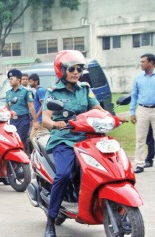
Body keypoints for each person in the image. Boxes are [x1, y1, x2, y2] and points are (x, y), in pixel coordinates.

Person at [42, 50, 105, 237]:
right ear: (61, 70)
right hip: (64, 139)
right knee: (63, 174)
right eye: (72, 69)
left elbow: (97, 108)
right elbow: (46, 117)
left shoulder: (85, 88)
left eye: (79, 68)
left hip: (87, 138)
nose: (76, 72)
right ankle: (51, 221)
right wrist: (55, 124)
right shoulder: (53, 92)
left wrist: (111, 117)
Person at [130, 53, 155, 173]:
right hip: (142, 110)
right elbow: (134, 96)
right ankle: (139, 164)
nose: (141, 64)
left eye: (143, 62)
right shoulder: (138, 78)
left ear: (151, 63)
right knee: (140, 138)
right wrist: (132, 112)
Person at [5, 69, 38, 148]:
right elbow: (6, 108)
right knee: (12, 142)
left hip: (23, 120)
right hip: (12, 120)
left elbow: (31, 107)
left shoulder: (26, 92)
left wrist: (35, 121)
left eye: (11, 79)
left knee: (20, 142)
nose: (10, 81)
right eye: (9, 79)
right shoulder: (9, 93)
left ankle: (22, 160)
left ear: (18, 80)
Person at [29, 73, 49, 142]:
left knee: (35, 138)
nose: (29, 83)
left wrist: (36, 117)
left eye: (31, 81)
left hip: (40, 120)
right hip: (38, 120)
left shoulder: (40, 91)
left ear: (36, 81)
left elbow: (43, 105)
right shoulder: (37, 91)